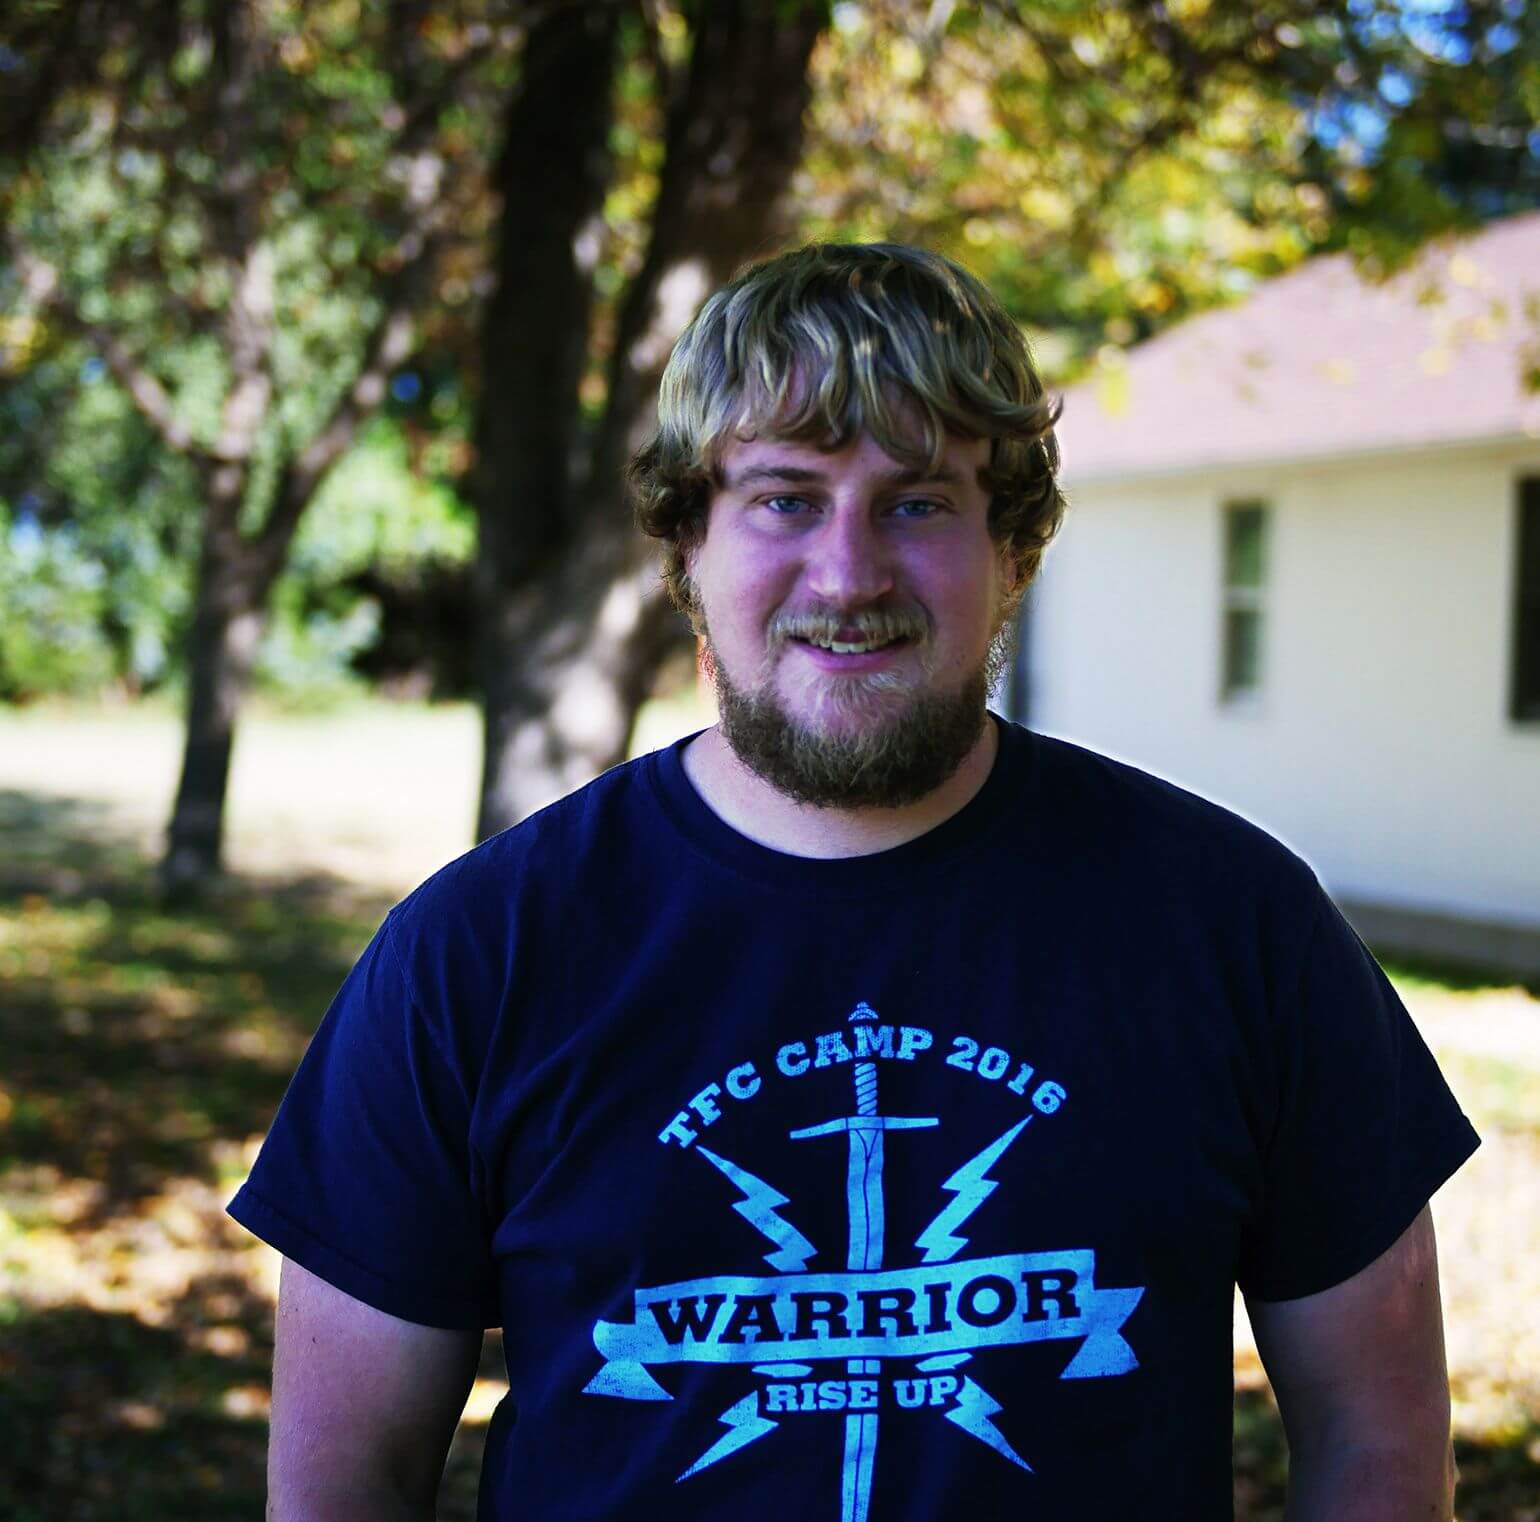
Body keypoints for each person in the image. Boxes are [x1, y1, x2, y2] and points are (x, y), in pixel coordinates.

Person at [229, 242, 1480, 1522]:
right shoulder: (476, 952)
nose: (848, 575)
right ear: (687, 544)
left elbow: (1378, 1447)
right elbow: (342, 1486)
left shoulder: (1238, 927)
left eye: (918, 502)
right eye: (784, 499)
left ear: (1013, 549)